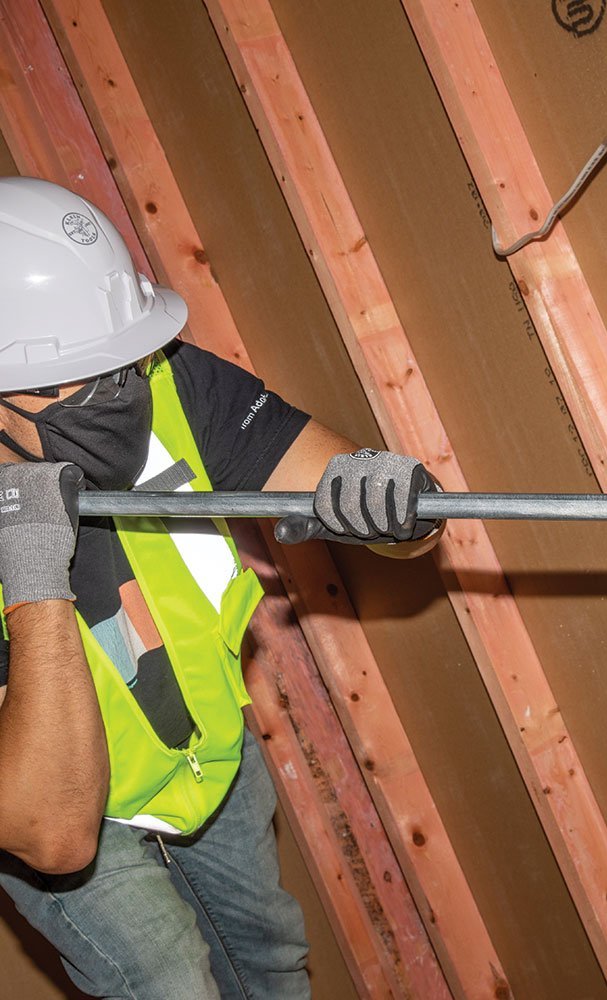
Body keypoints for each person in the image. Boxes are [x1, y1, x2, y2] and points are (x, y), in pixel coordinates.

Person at [0, 176, 443, 998]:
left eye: (123, 360)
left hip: (203, 750)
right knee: (171, 982)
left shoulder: (172, 384)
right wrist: (29, 567)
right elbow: (54, 835)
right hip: (63, 796)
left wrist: (398, 510)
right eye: (78, 375)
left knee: (269, 963)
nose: (122, 393)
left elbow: (380, 511)